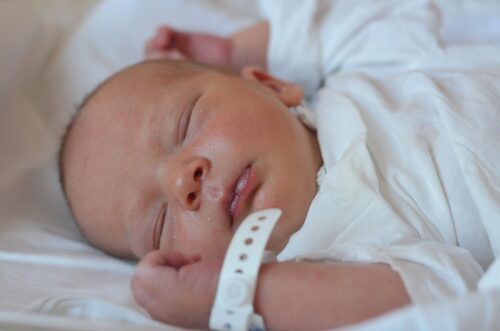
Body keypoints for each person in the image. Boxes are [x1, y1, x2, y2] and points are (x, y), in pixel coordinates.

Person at [58, 1, 500, 330]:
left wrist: (236, 49)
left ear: (271, 83)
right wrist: (237, 292)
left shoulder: (357, 74)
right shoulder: (330, 260)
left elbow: (378, 18)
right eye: (159, 223)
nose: (181, 183)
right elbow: (444, 299)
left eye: (187, 121)